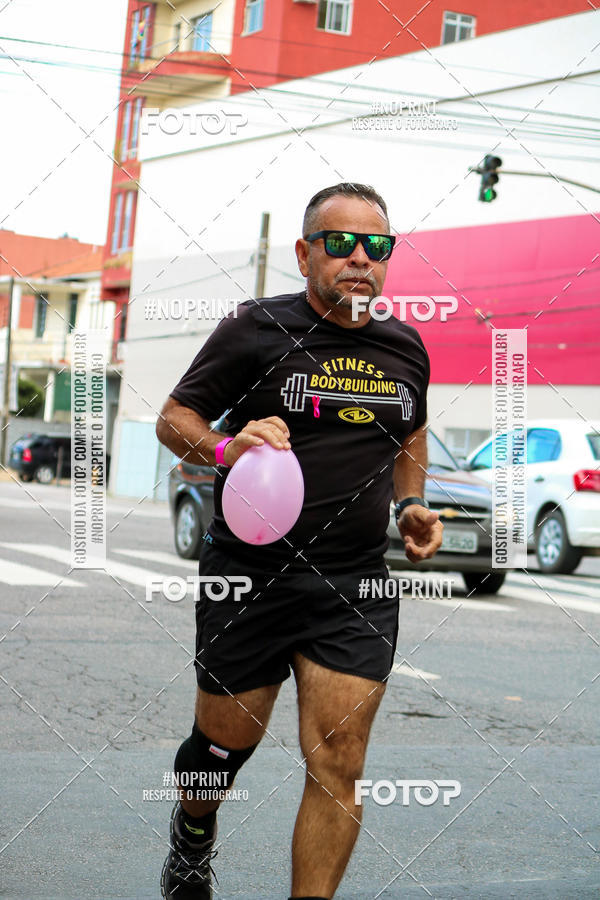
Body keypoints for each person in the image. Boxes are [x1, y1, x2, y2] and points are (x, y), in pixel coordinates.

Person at [156, 182, 443, 899]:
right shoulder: (256, 329)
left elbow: (410, 432)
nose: (359, 258)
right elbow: (174, 419)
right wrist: (226, 447)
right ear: (304, 252)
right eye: (340, 243)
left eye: (376, 246)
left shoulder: (406, 346)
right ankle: (193, 829)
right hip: (249, 575)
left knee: (340, 758)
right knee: (222, 748)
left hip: (353, 583)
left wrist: (411, 502)